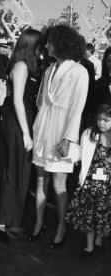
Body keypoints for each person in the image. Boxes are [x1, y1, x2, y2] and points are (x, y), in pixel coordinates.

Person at [30, 25, 89, 249]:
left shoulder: (79, 71)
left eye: (50, 41)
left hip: (62, 133)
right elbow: (43, 103)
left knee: (59, 184)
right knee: (40, 180)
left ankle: (61, 227)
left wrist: (68, 138)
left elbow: (77, 108)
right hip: (43, 130)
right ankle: (38, 223)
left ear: (61, 42)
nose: (46, 45)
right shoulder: (48, 70)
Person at [0, 29, 44, 243]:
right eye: (40, 45)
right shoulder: (21, 66)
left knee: (20, 173)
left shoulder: (27, 65)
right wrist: (26, 133)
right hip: (18, 123)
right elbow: (17, 101)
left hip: (23, 120)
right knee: (12, 172)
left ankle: (12, 220)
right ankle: (1, 223)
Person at [65, 102, 111, 260]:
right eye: (99, 119)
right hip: (90, 184)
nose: (101, 122)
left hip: (107, 187)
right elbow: (79, 153)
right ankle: (89, 246)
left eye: (106, 120)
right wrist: (67, 151)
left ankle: (98, 241)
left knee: (103, 216)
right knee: (88, 216)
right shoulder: (89, 134)